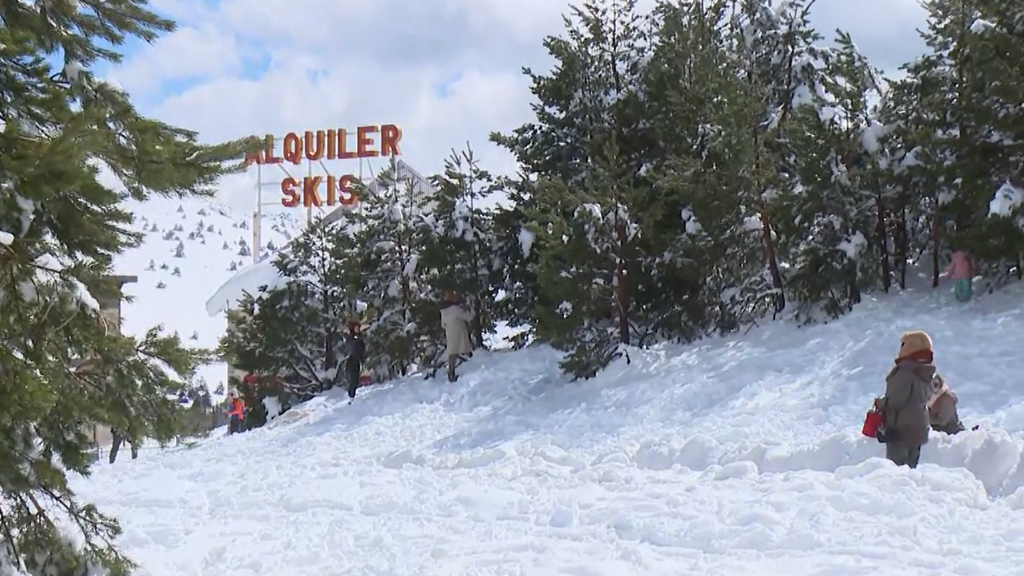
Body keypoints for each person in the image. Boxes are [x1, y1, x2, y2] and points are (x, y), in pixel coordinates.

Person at [874, 330, 934, 468]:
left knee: (896, 470)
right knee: (910, 469)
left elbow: (895, 401)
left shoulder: (904, 372)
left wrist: (881, 403)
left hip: (900, 429)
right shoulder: (927, 372)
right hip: (919, 428)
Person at [439, 290, 474, 383]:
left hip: (449, 332)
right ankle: (451, 374)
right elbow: (467, 317)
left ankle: (451, 372)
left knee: (452, 352)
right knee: (457, 350)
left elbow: (443, 324)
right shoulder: (455, 308)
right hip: (458, 331)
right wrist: (472, 311)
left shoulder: (443, 310)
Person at [344, 320, 366, 404]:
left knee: (355, 380)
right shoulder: (352, 338)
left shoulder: (356, 337)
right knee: (354, 380)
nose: (358, 329)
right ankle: (351, 398)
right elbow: (354, 349)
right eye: (357, 327)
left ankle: (352, 397)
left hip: (356, 360)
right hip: (353, 360)